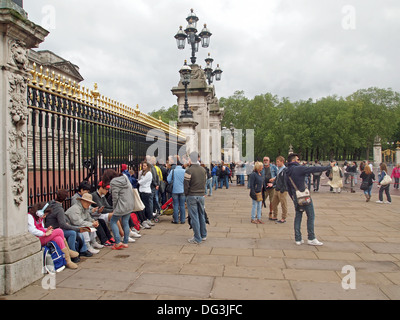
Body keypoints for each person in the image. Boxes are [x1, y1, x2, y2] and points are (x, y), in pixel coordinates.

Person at [285, 153, 334, 246]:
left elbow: (288, 187)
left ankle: (298, 238)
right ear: (294, 160)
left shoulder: (287, 171)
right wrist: (328, 166)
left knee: (298, 216)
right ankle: (311, 237)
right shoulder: (299, 168)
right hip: (304, 196)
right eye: (298, 159)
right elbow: (314, 169)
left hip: (296, 196)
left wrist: (293, 198)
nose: (299, 161)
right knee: (311, 215)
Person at [28, 202, 78, 269]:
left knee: (58, 238)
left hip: (41, 236)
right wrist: (45, 234)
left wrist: (46, 229)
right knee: (59, 231)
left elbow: (41, 228)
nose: (45, 216)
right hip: (37, 239)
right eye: (44, 215)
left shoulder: (39, 218)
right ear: (39, 212)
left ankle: (68, 261)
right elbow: (32, 230)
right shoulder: (30, 217)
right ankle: (68, 251)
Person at [46, 189, 90, 260]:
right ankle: (73, 253)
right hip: (55, 229)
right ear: (65, 198)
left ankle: (82, 250)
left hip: (50, 227)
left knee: (74, 231)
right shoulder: (59, 209)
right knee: (72, 233)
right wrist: (77, 229)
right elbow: (63, 224)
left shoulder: (51, 204)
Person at [101, 168, 135, 249]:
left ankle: (118, 242)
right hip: (129, 203)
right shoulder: (124, 177)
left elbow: (115, 197)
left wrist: (114, 207)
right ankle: (125, 242)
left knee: (113, 221)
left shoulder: (114, 182)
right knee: (125, 222)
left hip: (121, 204)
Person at [184, 151, 207, 244]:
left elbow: (186, 185)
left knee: (194, 216)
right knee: (201, 214)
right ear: (198, 158)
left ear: (190, 159)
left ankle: (197, 237)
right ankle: (203, 234)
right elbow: (204, 182)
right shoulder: (203, 170)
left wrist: (186, 195)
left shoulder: (189, 170)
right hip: (201, 195)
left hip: (192, 195)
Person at [167, 160, 186, 224]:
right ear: (182, 165)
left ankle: (176, 220)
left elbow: (168, 180)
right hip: (182, 190)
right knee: (182, 205)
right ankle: (183, 220)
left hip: (174, 190)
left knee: (175, 205)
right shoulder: (184, 171)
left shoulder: (173, 171)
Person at [271, 156, 288, 224]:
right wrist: (273, 184)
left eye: (278, 162)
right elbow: (277, 178)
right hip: (276, 189)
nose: (277, 163)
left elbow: (286, 181)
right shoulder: (279, 169)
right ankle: (275, 215)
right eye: (276, 162)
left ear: (282, 162)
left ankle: (283, 217)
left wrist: (283, 189)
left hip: (282, 190)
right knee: (273, 202)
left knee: (283, 204)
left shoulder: (285, 170)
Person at [138, 161, 154, 229]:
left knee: (146, 206)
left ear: (148, 167)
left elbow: (142, 181)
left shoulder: (149, 173)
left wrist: (137, 182)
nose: (143, 167)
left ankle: (148, 219)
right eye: (143, 166)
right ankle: (146, 219)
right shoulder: (142, 172)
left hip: (146, 191)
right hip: (142, 190)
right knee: (144, 206)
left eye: (145, 166)